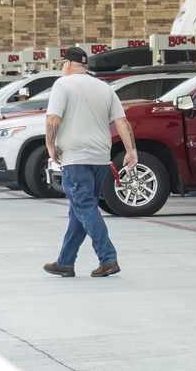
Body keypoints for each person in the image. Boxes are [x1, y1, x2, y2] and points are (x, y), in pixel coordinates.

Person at [43, 46, 137, 279]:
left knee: (84, 208)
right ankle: (65, 262)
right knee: (80, 211)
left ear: (67, 64)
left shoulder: (62, 85)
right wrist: (130, 151)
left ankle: (108, 258)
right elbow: (122, 122)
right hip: (101, 160)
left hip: (75, 158)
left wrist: (50, 146)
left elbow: (53, 119)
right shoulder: (105, 88)